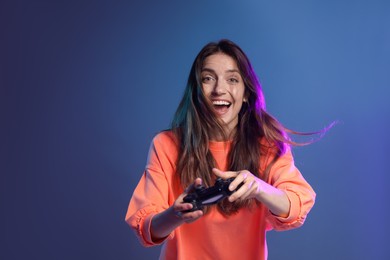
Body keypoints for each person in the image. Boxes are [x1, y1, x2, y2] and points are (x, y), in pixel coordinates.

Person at [125, 39, 326, 260]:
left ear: (246, 92)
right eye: (208, 79)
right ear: (196, 91)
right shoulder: (166, 144)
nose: (219, 90)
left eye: (232, 79)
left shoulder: (267, 145)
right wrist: (176, 215)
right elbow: (147, 228)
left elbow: (297, 206)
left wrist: (257, 187)